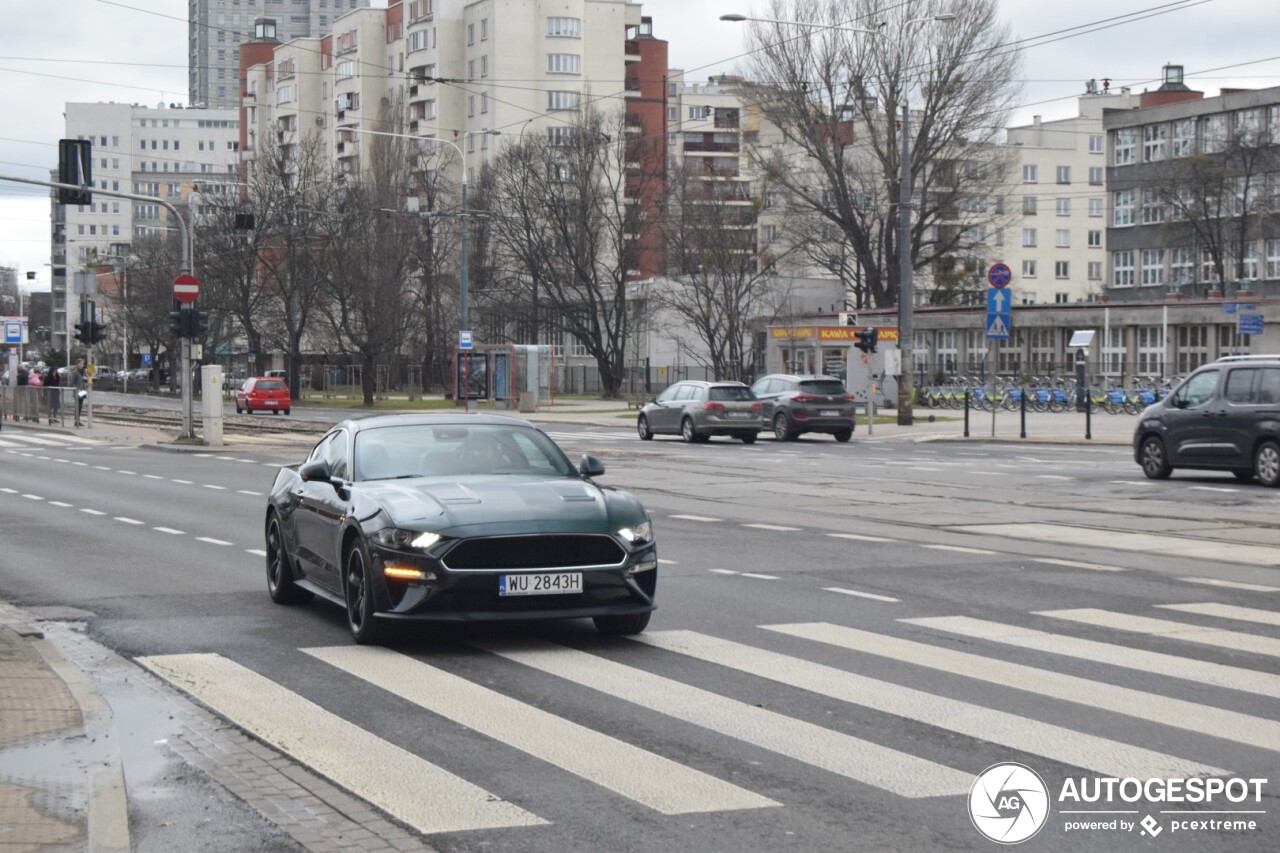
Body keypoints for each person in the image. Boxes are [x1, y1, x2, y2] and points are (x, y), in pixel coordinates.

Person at [70, 357, 87, 427]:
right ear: (78, 364)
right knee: (77, 406)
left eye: (83, 363)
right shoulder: (75, 372)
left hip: (83, 391)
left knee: (80, 406)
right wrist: (76, 388)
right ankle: (76, 421)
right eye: (81, 363)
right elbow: (71, 383)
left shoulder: (83, 371)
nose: (82, 365)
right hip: (77, 391)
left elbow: (85, 380)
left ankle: (78, 420)